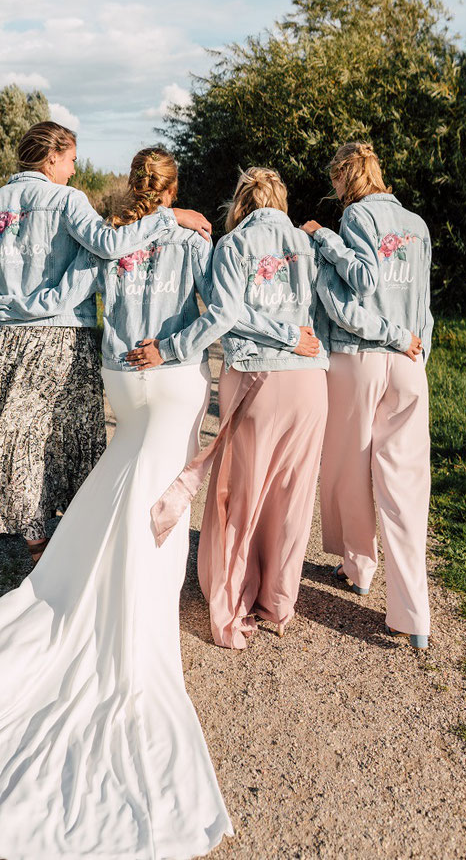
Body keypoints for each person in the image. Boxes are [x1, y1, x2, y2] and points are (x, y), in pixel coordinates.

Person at [0, 147, 233, 860]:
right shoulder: (191, 237)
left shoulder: (115, 230)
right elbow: (220, 305)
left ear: (132, 184)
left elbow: (85, 280)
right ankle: (133, 612)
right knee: (157, 497)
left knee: (124, 484)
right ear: (178, 188)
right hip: (173, 373)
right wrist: (183, 319)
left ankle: (88, 576)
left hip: (121, 376)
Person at [0, 121, 210, 566]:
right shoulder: (66, 200)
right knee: (60, 435)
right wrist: (170, 216)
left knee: (17, 437)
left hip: (6, 336)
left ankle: (35, 541)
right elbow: (109, 245)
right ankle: (70, 535)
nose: (74, 170)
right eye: (71, 159)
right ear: (52, 156)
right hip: (59, 335)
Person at [130, 167, 329, 649]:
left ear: (241, 201)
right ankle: (278, 603)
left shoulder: (234, 245)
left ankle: (233, 604)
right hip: (310, 383)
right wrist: (298, 339)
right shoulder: (308, 245)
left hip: (258, 380)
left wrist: (172, 349)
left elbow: (225, 316)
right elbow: (317, 315)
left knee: (238, 495)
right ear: (280, 200)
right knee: (292, 498)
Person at [301, 141, 432, 649]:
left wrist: (326, 243)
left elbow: (345, 305)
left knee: (349, 468)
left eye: (335, 181)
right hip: (409, 363)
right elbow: (423, 304)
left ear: (345, 179)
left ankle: (358, 567)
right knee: (405, 484)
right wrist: (419, 354)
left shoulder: (354, 219)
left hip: (360, 358)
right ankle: (412, 613)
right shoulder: (418, 226)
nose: (334, 192)